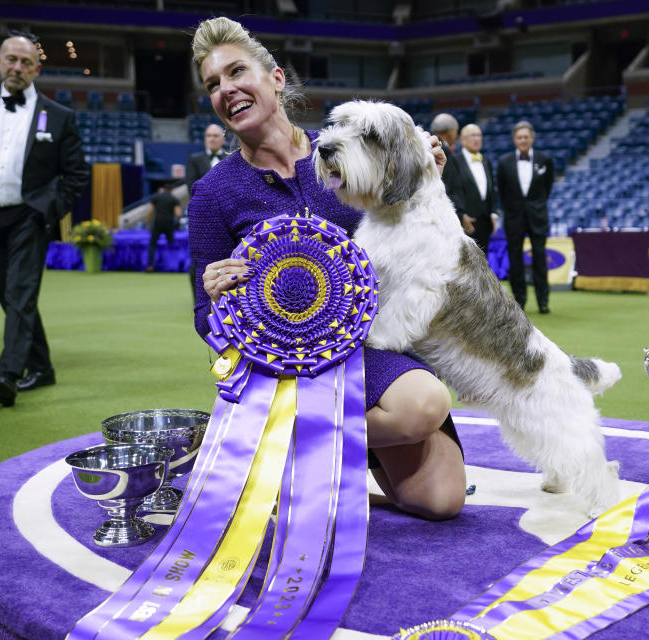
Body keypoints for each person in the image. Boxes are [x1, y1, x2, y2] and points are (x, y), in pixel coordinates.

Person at [189, 17, 465, 520]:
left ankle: (292, 445)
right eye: (213, 84)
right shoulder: (212, 194)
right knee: (420, 406)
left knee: (440, 499)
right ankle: (291, 438)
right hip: (285, 368)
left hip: (369, 346)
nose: (226, 90)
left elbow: (418, 243)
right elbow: (203, 322)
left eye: (236, 72)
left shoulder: (351, 149)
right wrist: (214, 299)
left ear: (275, 78)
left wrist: (422, 181)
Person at [0, 33, 89, 407]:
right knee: (12, 298)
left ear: (37, 68)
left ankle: (8, 375)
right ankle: (42, 366)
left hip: (28, 219)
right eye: (11, 60)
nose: (17, 67)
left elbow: (77, 175)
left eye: (25, 62)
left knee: (20, 296)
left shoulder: (59, 116)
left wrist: (46, 210)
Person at [496, 120, 555, 313]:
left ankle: (543, 301)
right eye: (519, 137)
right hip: (514, 218)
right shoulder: (503, 162)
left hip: (537, 217)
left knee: (540, 258)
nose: (523, 140)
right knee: (515, 260)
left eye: (526, 137)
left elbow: (547, 188)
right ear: (514, 139)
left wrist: (534, 206)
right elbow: (502, 192)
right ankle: (519, 301)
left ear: (532, 138)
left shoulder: (545, 159)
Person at [454, 123, 496, 253]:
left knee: (484, 262)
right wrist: (461, 216)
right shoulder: (454, 161)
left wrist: (494, 214)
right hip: (464, 223)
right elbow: (451, 191)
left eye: (479, 135)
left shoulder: (486, 161)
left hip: (485, 222)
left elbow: (491, 191)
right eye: (472, 135)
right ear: (462, 140)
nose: (476, 139)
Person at [430, 112, 467, 225]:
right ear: (451, 132)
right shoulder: (441, 151)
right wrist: (460, 214)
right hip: (447, 215)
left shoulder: (430, 146)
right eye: (456, 131)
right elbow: (448, 185)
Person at [144, 180, 182, 272]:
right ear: (172, 190)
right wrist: (177, 223)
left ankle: (150, 266)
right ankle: (174, 265)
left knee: (152, 245)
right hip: (168, 224)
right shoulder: (173, 199)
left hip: (157, 223)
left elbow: (150, 211)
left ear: (164, 189)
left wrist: (148, 223)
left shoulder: (157, 197)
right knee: (171, 244)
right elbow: (178, 213)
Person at [185, 123, 227, 193]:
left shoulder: (230, 159)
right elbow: (191, 188)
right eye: (208, 136)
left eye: (215, 136)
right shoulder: (194, 160)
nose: (211, 139)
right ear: (205, 139)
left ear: (223, 139)